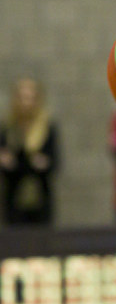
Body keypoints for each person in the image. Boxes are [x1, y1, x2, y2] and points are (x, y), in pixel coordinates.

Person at [0, 77, 59, 226]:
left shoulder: (46, 128)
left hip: (40, 200)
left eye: (31, 98)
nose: (26, 103)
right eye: (22, 98)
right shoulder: (8, 128)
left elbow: (55, 162)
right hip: (14, 201)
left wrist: (45, 164)